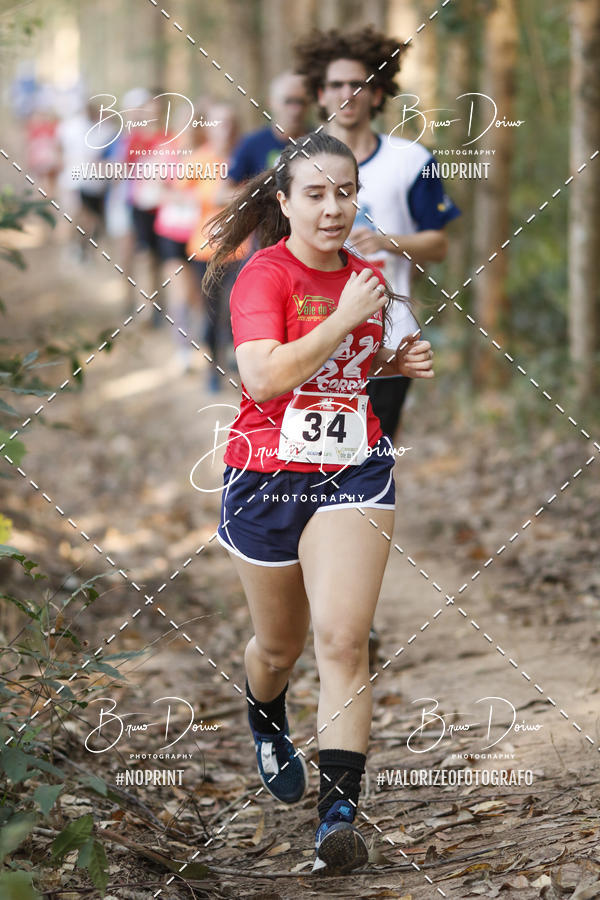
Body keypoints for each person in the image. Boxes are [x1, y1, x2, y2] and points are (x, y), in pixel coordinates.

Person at [203, 131, 434, 874]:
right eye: (316, 194)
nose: (334, 208)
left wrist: (395, 359)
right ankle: (266, 713)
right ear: (284, 201)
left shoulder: (367, 278)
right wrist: (342, 319)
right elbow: (265, 379)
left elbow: (350, 371)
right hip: (266, 477)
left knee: (342, 640)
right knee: (281, 648)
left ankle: (338, 817)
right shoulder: (263, 276)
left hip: (354, 470)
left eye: (346, 192)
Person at [294, 26, 460, 440]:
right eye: (336, 85)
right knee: (313, 459)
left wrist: (386, 242)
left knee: (375, 453)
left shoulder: (412, 160)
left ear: (377, 93)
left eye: (359, 84)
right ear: (320, 94)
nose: (347, 94)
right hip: (309, 333)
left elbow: (439, 244)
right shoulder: (296, 161)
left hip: (389, 335)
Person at [226, 71, 310, 186]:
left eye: (301, 102)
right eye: (289, 101)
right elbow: (223, 192)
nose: (296, 110)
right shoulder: (252, 144)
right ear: (271, 102)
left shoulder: (318, 143)